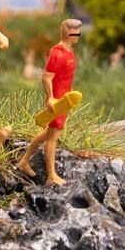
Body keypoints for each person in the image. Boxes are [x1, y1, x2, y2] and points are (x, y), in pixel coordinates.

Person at [18, 19, 83, 186]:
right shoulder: (58, 53)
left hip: (65, 100)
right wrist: (50, 97)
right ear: (69, 34)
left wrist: (69, 97)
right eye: (77, 33)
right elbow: (46, 77)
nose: (78, 36)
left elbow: (66, 77)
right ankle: (51, 176)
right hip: (57, 101)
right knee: (53, 137)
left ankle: (24, 161)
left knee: (48, 133)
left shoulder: (69, 51)